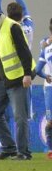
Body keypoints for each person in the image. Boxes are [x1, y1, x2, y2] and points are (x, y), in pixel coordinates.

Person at [0, 4, 35, 160]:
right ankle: (9, 147)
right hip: (4, 80)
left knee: (20, 117)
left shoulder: (12, 27)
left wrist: (27, 74)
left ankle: (24, 153)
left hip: (18, 78)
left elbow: (24, 51)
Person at [35, 20, 52, 158]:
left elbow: (37, 70)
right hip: (49, 88)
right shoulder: (45, 45)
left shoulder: (46, 48)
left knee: (51, 121)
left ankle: (51, 150)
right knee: (50, 121)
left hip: (50, 87)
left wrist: (45, 75)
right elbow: (37, 70)